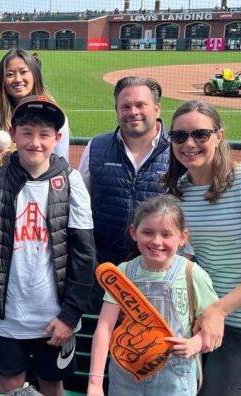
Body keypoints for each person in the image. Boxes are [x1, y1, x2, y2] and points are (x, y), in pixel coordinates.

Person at [0, 95, 95, 396]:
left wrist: (70, 316)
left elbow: (84, 254)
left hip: (55, 315)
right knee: (8, 385)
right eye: (26, 133)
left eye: (44, 134)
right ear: (13, 135)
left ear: (57, 138)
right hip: (9, 314)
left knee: (51, 384)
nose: (35, 142)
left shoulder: (71, 181)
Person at [160, 100, 241, 396]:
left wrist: (219, 310)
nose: (189, 143)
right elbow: (187, 258)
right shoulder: (179, 191)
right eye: (179, 136)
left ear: (219, 136)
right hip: (202, 320)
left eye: (200, 135)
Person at [87, 195, 218, 396]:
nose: (156, 241)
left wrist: (195, 344)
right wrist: (95, 382)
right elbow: (104, 328)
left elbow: (214, 331)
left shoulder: (193, 275)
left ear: (183, 237)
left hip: (174, 378)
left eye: (167, 234)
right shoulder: (122, 273)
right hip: (125, 375)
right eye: (148, 232)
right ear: (134, 232)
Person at [78, 76, 169, 313]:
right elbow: (79, 207)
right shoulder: (96, 147)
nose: (133, 112)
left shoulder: (178, 151)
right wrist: (93, 258)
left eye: (141, 105)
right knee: (98, 340)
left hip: (158, 276)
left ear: (157, 108)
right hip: (103, 271)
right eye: (125, 106)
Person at [0, 48, 69, 160]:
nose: (18, 79)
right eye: (9, 74)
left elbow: (61, 162)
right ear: (2, 81)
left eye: (24, 72)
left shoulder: (56, 117)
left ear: (35, 75)